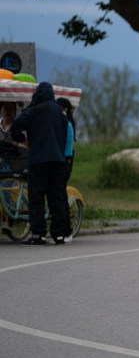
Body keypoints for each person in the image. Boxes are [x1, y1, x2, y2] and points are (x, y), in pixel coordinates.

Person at [11, 82, 71, 245]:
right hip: (58, 161)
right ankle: (59, 234)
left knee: (37, 197)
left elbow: (15, 125)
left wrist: (23, 140)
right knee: (56, 197)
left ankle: (39, 234)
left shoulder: (34, 111)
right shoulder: (61, 113)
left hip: (39, 160)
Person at [56, 98, 76, 182]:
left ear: (65, 109)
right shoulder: (69, 124)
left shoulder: (65, 124)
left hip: (62, 162)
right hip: (65, 162)